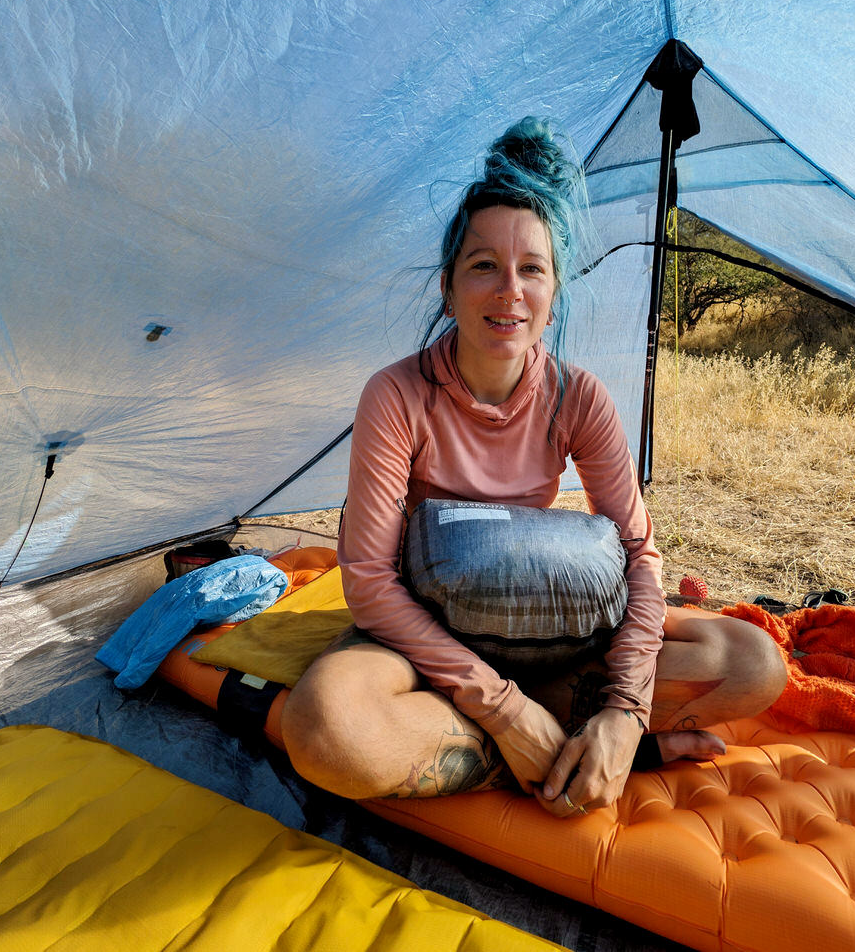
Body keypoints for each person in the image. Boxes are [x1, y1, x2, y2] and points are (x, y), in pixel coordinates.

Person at [280, 118, 786, 818]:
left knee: (752, 662)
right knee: (324, 726)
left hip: (555, 638)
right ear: (448, 286)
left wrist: (625, 712)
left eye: (531, 269)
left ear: (554, 291)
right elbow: (368, 583)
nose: (508, 289)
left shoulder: (578, 397)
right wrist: (506, 709)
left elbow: (641, 553)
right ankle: (551, 747)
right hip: (425, 646)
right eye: (483, 264)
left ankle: (576, 739)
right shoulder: (396, 395)